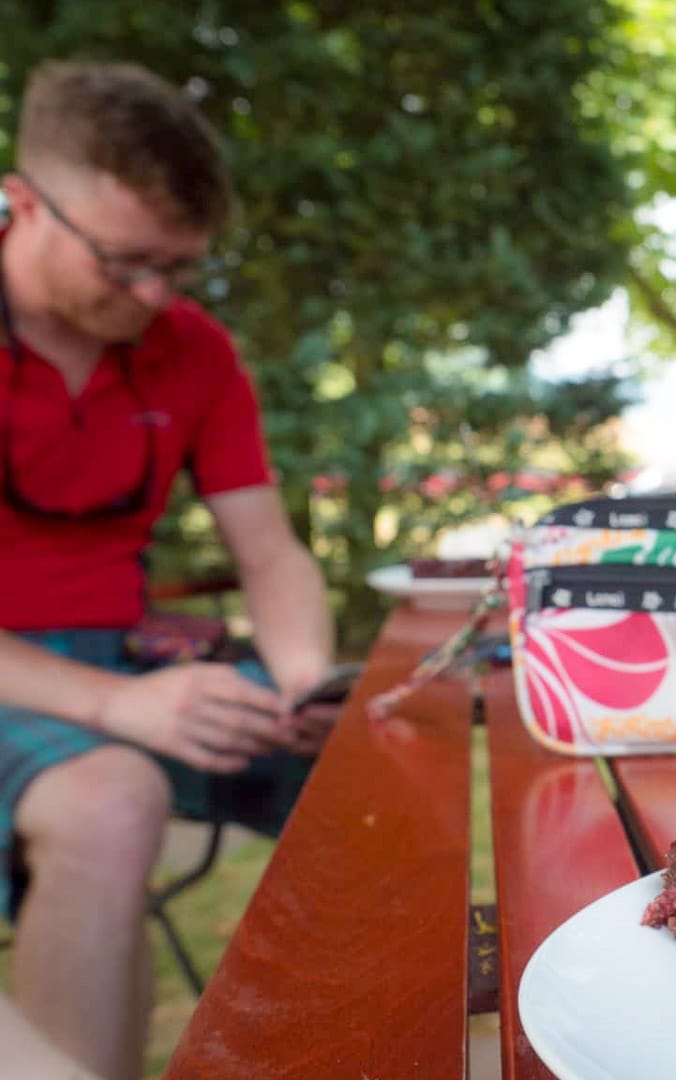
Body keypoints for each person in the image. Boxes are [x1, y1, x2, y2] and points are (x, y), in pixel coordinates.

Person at [0, 62, 337, 1079]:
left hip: (118, 667)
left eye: (178, 270)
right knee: (112, 796)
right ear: (21, 205)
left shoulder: (192, 350)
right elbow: (121, 718)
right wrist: (119, 706)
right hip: (45, 682)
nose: (154, 297)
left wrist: (301, 681)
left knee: (381, 753)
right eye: (125, 263)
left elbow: (270, 553)